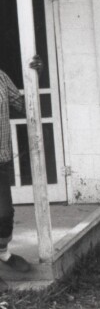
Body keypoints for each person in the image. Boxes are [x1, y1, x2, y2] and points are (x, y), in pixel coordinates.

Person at [0, 56, 42, 291]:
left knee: (4, 214)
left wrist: (37, 77)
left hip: (0, 159)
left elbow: (26, 106)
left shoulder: (1, 77)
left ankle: (3, 253)